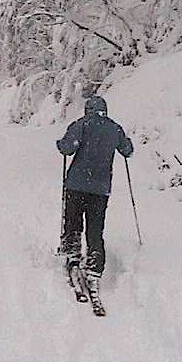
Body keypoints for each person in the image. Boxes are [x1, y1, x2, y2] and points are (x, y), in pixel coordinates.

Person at [56, 95, 134, 303]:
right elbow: (127, 150)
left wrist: (60, 144)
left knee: (73, 222)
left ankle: (73, 257)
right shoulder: (114, 129)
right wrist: (126, 144)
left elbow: (67, 148)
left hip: (76, 185)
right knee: (95, 228)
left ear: (88, 109)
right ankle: (94, 266)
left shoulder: (81, 125)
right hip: (100, 189)